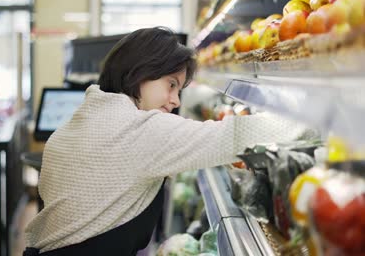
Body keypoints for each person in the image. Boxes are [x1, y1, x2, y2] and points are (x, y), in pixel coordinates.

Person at [23, 27, 313, 256]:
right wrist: (320, 119)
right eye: (171, 85)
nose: (175, 101)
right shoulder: (139, 130)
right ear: (140, 74)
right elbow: (232, 136)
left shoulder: (79, 122)